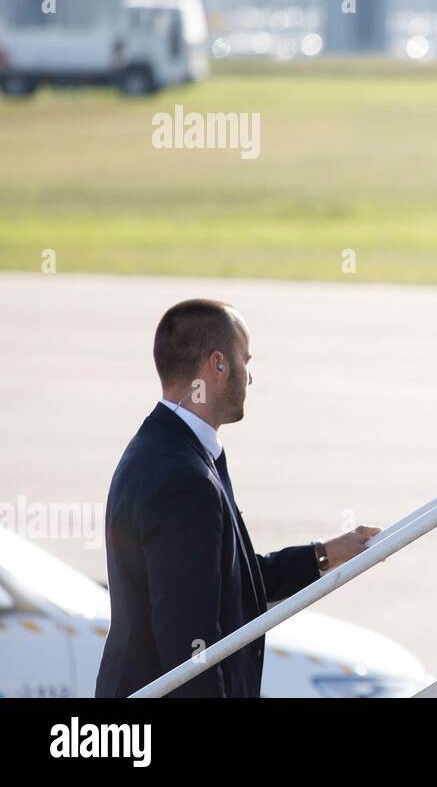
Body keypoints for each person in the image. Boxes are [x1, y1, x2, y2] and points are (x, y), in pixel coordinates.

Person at [95, 298, 380, 697]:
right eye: (246, 360)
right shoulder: (183, 479)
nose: (251, 378)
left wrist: (326, 553)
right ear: (218, 365)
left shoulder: (163, 448)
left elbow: (227, 584)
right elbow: (190, 652)